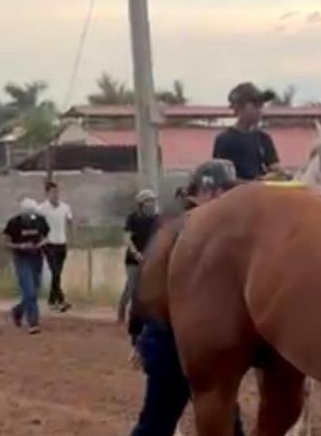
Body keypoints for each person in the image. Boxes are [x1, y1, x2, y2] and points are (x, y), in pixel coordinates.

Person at [127, 161, 244, 436]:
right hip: (170, 342)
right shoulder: (175, 228)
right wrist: (138, 336)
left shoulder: (225, 231)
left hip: (207, 347)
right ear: (206, 191)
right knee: (156, 424)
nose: (229, 198)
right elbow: (146, 284)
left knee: (226, 421)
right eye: (224, 191)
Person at [213, 82, 284, 181]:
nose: (260, 111)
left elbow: (274, 166)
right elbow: (223, 179)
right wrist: (256, 183)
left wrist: (280, 174)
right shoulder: (224, 140)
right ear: (238, 108)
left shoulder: (263, 138)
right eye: (255, 106)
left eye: (261, 106)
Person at [2, 198, 50, 335]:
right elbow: (4, 242)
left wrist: (42, 243)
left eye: (32, 213)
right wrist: (20, 246)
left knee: (36, 289)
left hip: (36, 257)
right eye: (28, 214)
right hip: (21, 258)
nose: (31, 217)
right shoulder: (14, 223)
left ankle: (18, 311)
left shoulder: (40, 221)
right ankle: (33, 323)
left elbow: (46, 237)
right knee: (29, 291)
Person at [117, 189, 160, 323]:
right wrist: (136, 253)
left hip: (150, 259)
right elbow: (127, 238)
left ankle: (143, 317)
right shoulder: (133, 218)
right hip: (133, 260)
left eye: (153, 201)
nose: (152, 204)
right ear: (141, 203)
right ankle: (121, 314)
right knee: (131, 287)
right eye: (149, 201)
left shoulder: (156, 219)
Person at [38, 181, 73, 312]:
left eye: (57, 192)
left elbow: (70, 222)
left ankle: (52, 300)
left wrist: (71, 237)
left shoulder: (65, 207)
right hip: (49, 243)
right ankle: (61, 300)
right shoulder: (42, 209)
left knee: (58, 273)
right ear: (47, 193)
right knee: (55, 271)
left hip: (61, 242)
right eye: (53, 192)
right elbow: (37, 225)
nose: (56, 194)